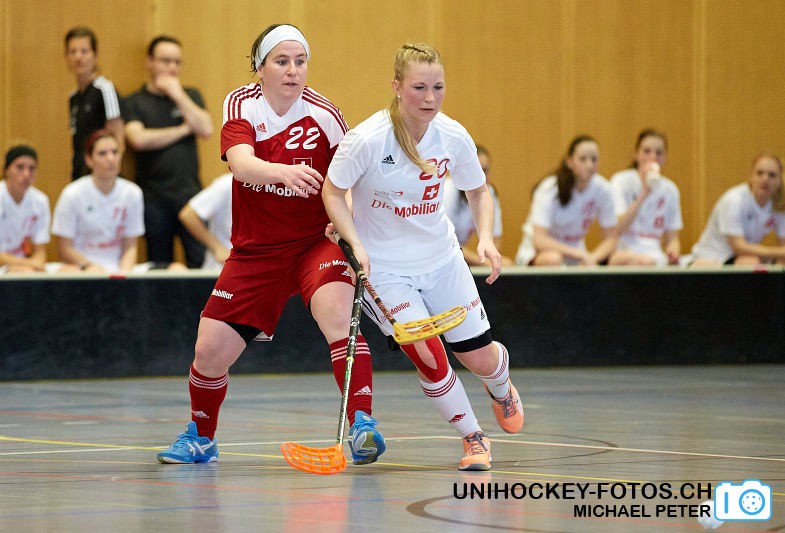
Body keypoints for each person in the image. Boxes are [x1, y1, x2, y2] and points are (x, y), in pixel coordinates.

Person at [156, 24, 385, 466]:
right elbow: (241, 166)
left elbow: (351, 178)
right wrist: (283, 173)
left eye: (300, 62)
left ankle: (362, 424)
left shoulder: (326, 114)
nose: (293, 71)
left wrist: (345, 221)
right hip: (256, 250)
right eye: (282, 61)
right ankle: (201, 438)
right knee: (209, 350)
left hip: (314, 245)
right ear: (260, 67)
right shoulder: (241, 103)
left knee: (338, 315)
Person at [323, 42, 523, 471]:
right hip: (386, 270)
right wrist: (353, 240)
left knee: (478, 357)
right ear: (396, 87)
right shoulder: (367, 139)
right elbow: (333, 192)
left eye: (438, 87)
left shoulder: (452, 135)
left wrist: (486, 236)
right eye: (419, 87)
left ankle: (500, 384)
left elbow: (477, 190)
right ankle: (473, 438)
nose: (429, 98)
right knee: (428, 354)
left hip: (442, 261)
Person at [123, 35, 213, 268]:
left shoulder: (190, 95)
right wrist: (184, 130)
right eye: (165, 61)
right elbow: (138, 140)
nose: (172, 67)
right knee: (159, 265)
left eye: (177, 62)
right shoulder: (135, 101)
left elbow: (206, 128)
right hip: (154, 198)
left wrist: (177, 94)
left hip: (190, 195)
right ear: (150, 62)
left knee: (199, 262)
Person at [52, 130, 184, 273]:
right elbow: (65, 249)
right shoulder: (72, 194)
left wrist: (123, 275)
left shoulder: (132, 193)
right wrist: (89, 266)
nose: (111, 158)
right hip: (83, 267)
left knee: (178, 269)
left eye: (115, 152)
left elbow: (130, 246)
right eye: (102, 153)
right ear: (89, 160)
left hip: (118, 267)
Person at [515, 135, 618, 266]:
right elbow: (539, 240)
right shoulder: (549, 189)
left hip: (575, 255)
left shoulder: (603, 189)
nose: (589, 164)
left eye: (594, 159)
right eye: (583, 159)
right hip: (539, 253)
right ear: (569, 161)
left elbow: (612, 238)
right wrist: (580, 254)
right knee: (554, 259)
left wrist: (592, 258)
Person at [691, 153, 785, 266]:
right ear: (751, 177)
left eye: (772, 175)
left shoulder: (778, 206)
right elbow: (738, 246)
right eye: (760, 173)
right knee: (751, 262)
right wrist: (778, 252)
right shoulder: (734, 200)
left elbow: (782, 246)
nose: (765, 179)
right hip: (713, 257)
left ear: (780, 181)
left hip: (744, 257)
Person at [608, 129, 683, 266]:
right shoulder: (621, 181)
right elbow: (617, 229)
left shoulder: (670, 189)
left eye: (659, 153)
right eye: (647, 151)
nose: (652, 157)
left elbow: (673, 238)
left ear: (665, 158)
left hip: (655, 255)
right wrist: (644, 192)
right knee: (644, 261)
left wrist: (673, 252)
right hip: (623, 253)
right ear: (636, 154)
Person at [1, 145, 75, 274]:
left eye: (32, 168)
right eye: (20, 167)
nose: (26, 174)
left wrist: (37, 264)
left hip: (27, 264)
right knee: (24, 272)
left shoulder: (40, 200)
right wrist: (30, 264)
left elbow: (40, 251)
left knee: (71, 271)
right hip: (9, 266)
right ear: (6, 170)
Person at [64, 27, 124, 181]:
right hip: (79, 174)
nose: (78, 57)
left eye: (84, 51)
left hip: (101, 176)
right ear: (66, 57)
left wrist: (111, 172)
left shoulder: (104, 89)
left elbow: (118, 136)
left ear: (95, 55)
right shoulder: (73, 97)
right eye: (73, 52)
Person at [444, 145, 513, 266]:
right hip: (435, 255)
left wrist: (489, 260)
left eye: (485, 170)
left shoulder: (489, 193)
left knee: (507, 265)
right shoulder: (447, 191)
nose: (481, 177)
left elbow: (495, 242)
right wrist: (482, 262)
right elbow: (444, 244)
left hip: (457, 257)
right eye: (476, 170)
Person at [178, 172, 233, 270]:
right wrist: (217, 248)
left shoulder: (268, 187)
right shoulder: (228, 184)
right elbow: (188, 215)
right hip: (222, 270)